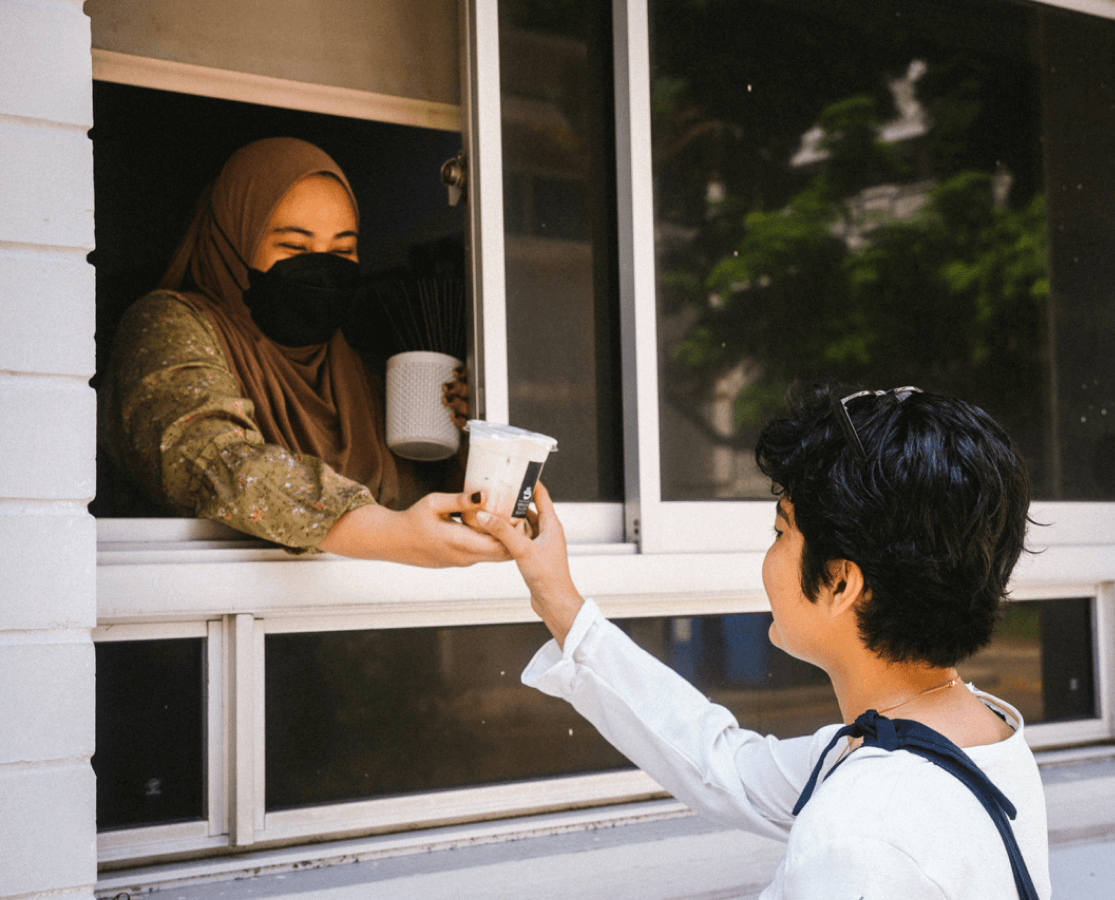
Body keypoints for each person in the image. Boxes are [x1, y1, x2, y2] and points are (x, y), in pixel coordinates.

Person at [473, 384, 1051, 898]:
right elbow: (724, 765)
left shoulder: (860, 841)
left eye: (781, 530)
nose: (769, 557)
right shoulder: (976, 735)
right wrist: (558, 599)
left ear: (841, 582)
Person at [102, 137, 507, 567]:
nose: (320, 269)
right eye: (294, 248)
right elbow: (212, 461)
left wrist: (466, 443)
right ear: (232, 241)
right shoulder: (168, 325)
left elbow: (423, 505)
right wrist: (389, 534)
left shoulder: (357, 372)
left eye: (342, 250)